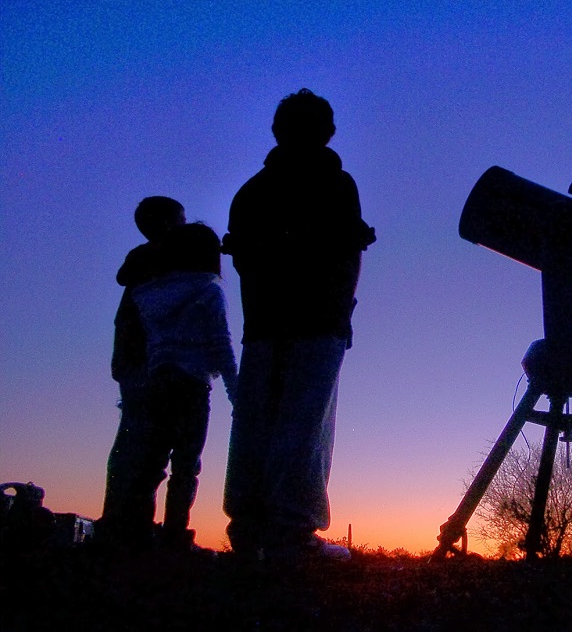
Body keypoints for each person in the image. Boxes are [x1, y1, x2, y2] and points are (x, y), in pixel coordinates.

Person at [222, 89, 375, 562]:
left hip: (264, 325)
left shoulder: (250, 192)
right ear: (326, 131)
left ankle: (249, 530)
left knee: (256, 426)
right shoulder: (335, 184)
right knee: (304, 426)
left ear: (277, 131)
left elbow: (247, 260)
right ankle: (292, 534)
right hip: (317, 324)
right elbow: (342, 252)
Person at [99, 200, 238, 553]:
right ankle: (170, 534)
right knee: (184, 462)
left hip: (155, 378)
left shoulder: (147, 291)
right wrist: (236, 392)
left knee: (148, 459)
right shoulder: (205, 291)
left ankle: (133, 530)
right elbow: (221, 344)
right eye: (180, 220)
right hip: (186, 383)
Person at [99, 196, 187, 550]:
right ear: (167, 224)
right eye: (180, 221)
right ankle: (124, 526)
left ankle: (130, 523)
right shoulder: (158, 262)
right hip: (146, 362)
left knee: (142, 443)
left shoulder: (143, 262)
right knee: (141, 443)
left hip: (140, 360)